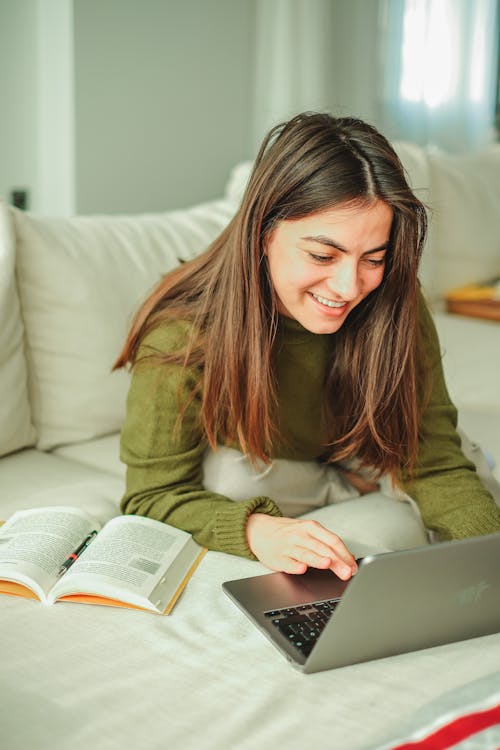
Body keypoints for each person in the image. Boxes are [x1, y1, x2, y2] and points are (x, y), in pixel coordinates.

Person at [114, 112, 500, 581]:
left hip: (362, 438)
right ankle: (353, 484)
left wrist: (488, 558)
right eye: (323, 255)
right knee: (227, 480)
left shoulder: (392, 297)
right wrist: (256, 530)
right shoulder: (184, 331)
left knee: (468, 474)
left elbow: (434, 457)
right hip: (267, 461)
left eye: (373, 258)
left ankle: (361, 479)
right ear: (263, 232)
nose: (348, 286)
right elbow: (150, 495)